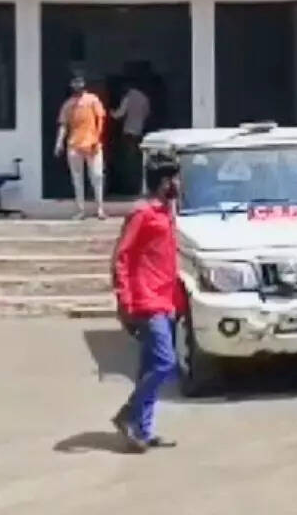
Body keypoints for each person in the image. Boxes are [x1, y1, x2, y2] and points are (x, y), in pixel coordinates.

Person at [111, 153, 183, 453]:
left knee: (150, 367)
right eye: (175, 179)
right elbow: (121, 257)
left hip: (166, 300)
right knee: (166, 363)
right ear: (165, 182)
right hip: (146, 301)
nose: (179, 184)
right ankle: (129, 413)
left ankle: (142, 429)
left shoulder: (166, 212)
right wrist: (125, 301)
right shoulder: (142, 214)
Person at [55, 73, 107, 219]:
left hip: (92, 144)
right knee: (77, 179)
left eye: (79, 82)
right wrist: (59, 142)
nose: (77, 85)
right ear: (71, 85)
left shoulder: (93, 99)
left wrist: (97, 138)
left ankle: (100, 209)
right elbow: (63, 125)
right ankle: (80, 210)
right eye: (75, 82)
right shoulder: (68, 104)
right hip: (74, 144)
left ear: (84, 83)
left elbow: (100, 119)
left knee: (97, 176)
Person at [111, 79, 152, 194]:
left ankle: (130, 187)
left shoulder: (128, 98)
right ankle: (140, 186)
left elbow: (119, 114)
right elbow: (147, 113)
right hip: (139, 131)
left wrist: (110, 113)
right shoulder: (144, 98)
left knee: (129, 160)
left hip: (129, 132)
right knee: (139, 159)